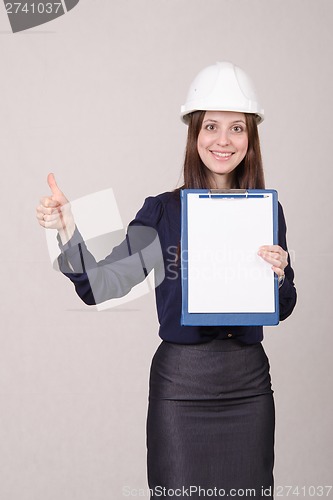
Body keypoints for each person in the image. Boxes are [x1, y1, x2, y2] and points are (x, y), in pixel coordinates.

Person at [36, 61, 297, 499]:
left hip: (248, 388)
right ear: (194, 134)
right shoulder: (162, 212)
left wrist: (281, 274)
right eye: (211, 126)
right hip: (181, 388)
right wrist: (68, 230)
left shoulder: (267, 211)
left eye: (237, 128)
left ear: (251, 139)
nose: (223, 140)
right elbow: (101, 284)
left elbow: (284, 305)